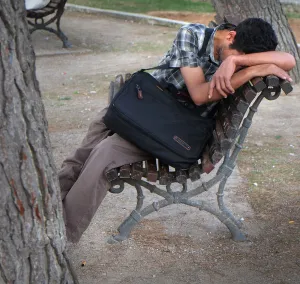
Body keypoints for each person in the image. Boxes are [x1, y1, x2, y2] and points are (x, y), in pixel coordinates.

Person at [59, 18, 295, 243]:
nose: (237, 65)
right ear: (231, 36)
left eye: (246, 62)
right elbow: (199, 91)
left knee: (105, 153)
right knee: (98, 129)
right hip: (151, 110)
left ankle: (63, 238)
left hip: (175, 133)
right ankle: (50, 209)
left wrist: (238, 64)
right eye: (238, 58)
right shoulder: (192, 35)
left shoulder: (237, 56)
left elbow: (288, 59)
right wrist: (243, 66)